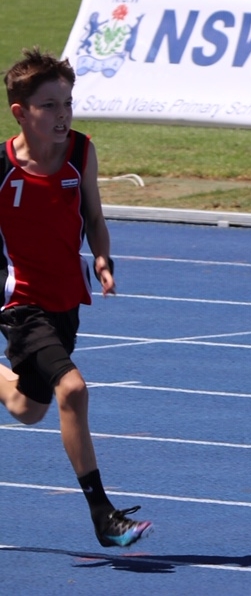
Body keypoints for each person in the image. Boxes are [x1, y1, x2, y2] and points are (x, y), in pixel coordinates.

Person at [0, 49, 152, 548]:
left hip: (66, 297)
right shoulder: (1, 168)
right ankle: (103, 515)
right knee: (73, 389)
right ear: (20, 111)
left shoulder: (82, 152)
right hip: (20, 304)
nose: (63, 115)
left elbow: (94, 217)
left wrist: (102, 258)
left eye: (68, 102)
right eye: (50, 106)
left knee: (29, 407)